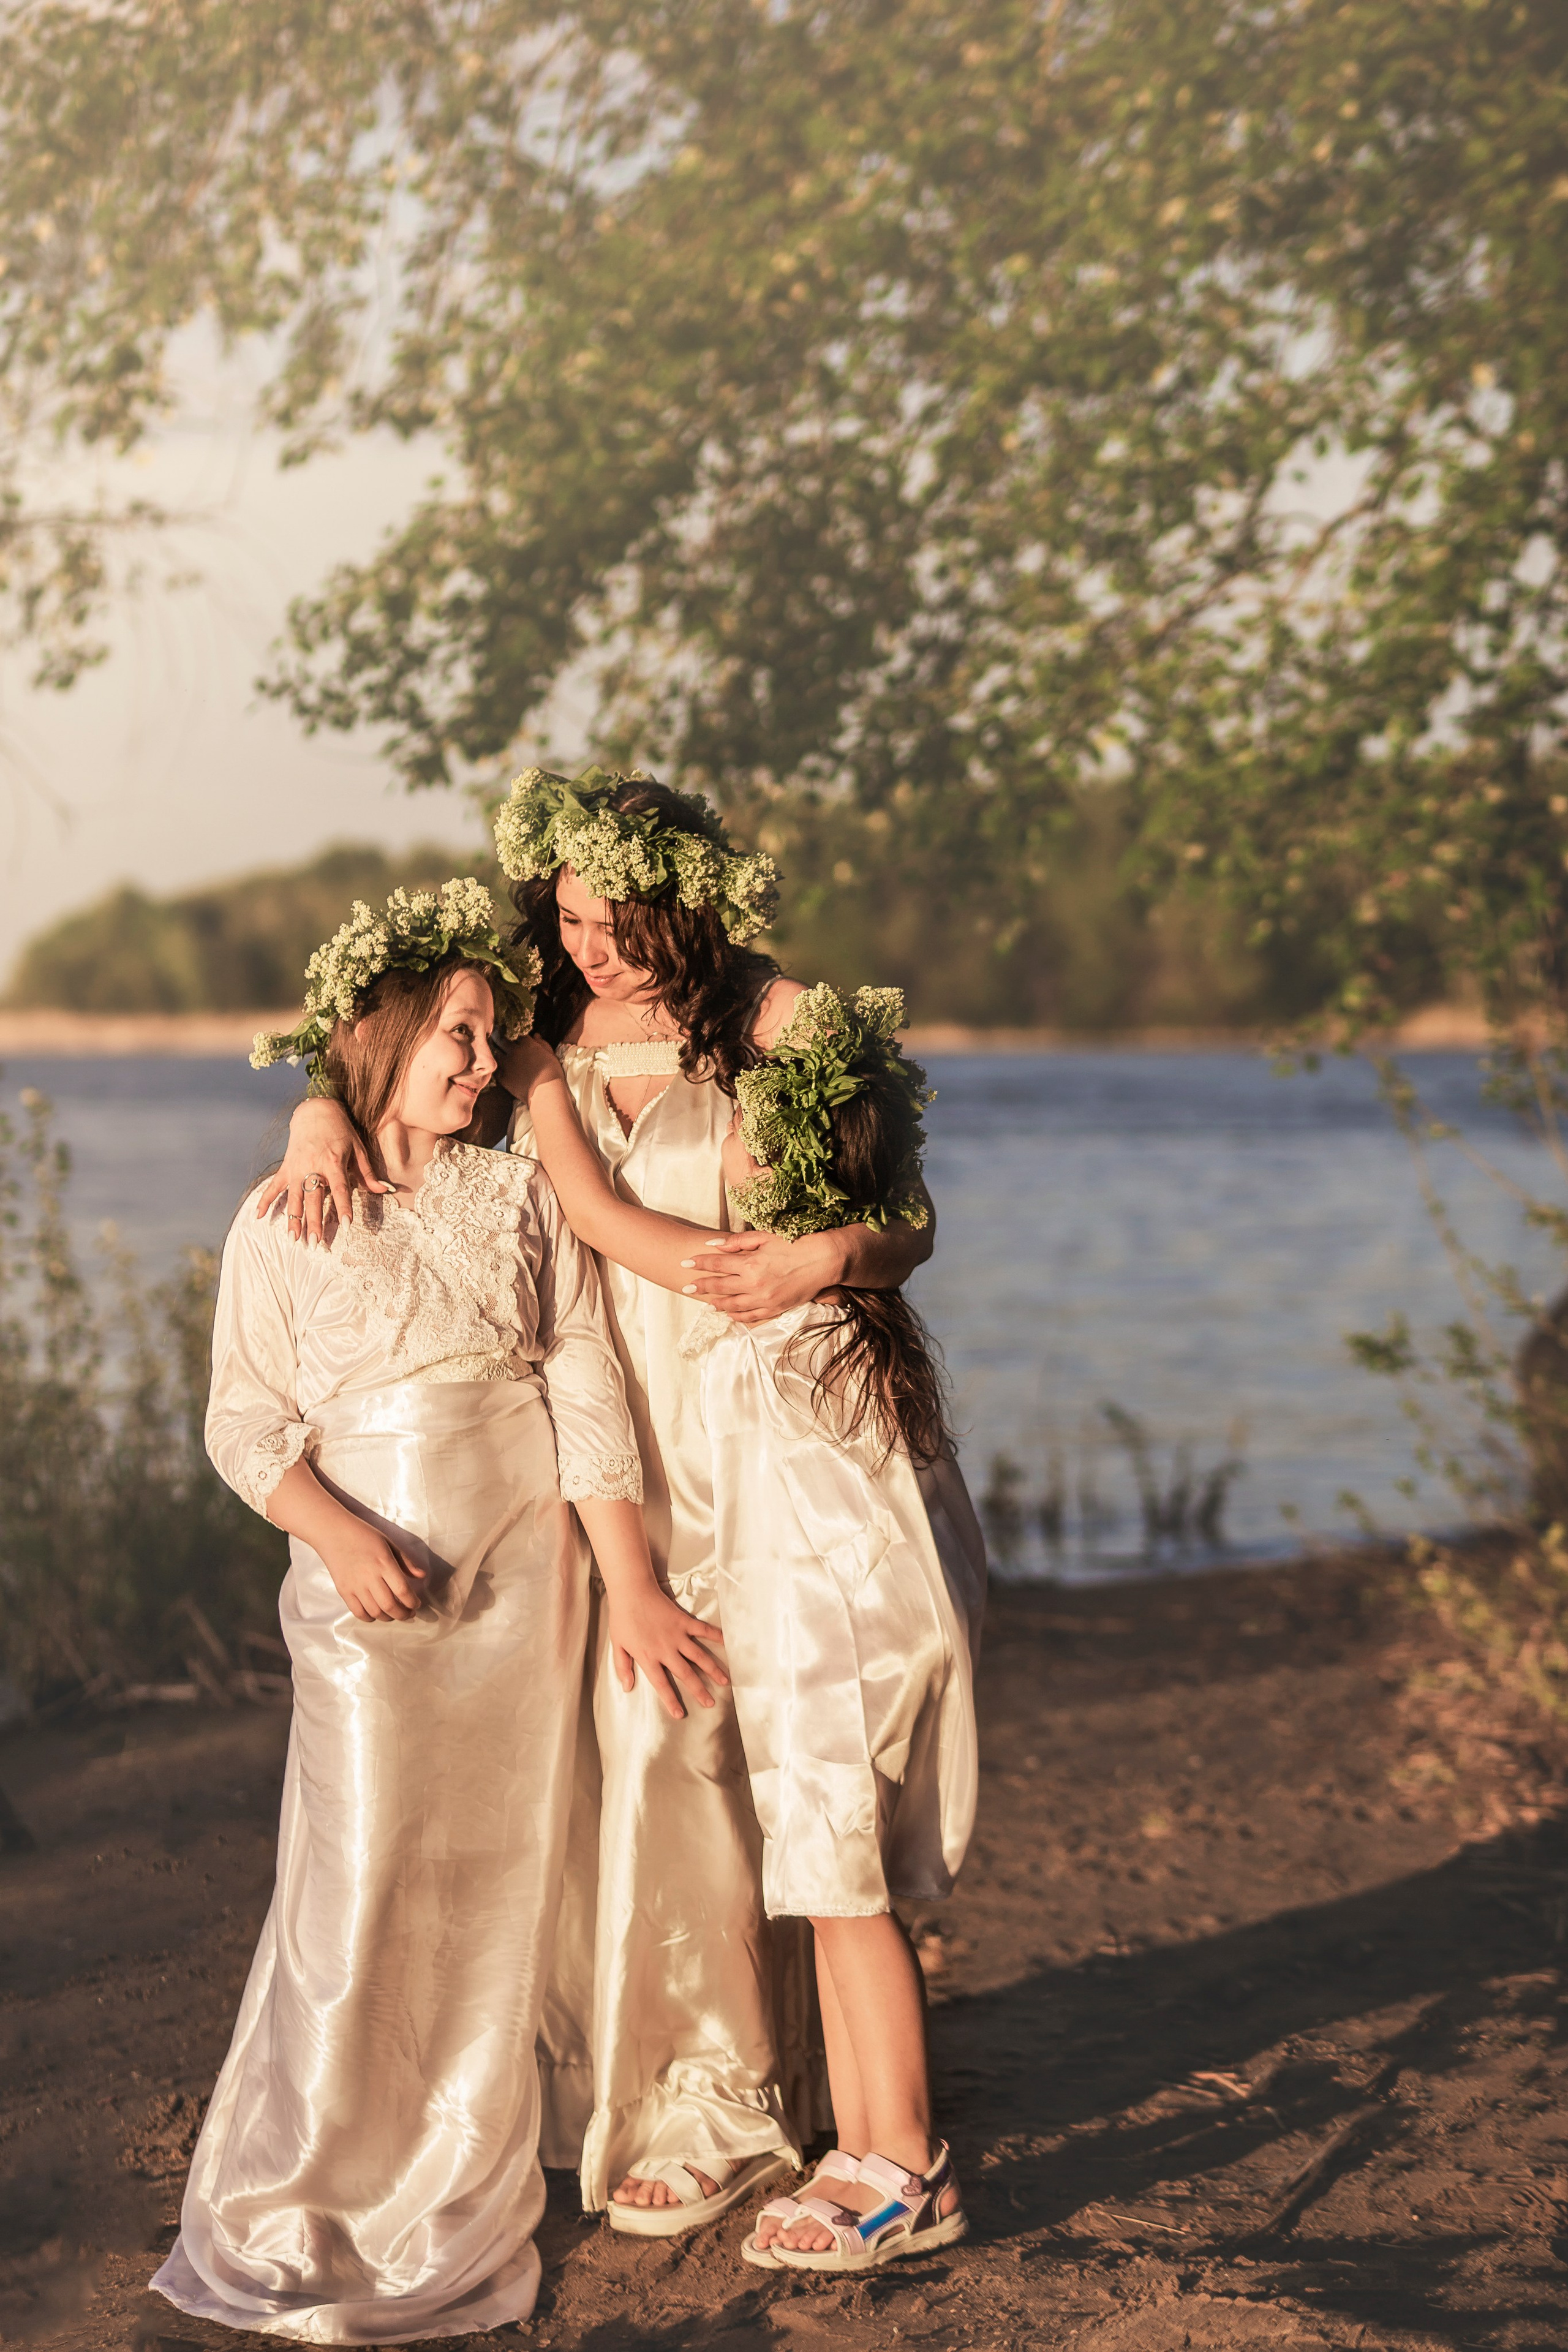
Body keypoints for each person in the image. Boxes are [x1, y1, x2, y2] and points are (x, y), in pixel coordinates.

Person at [270, 772, 938, 2237]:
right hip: (604, 1433)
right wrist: (319, 1118)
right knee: (646, 1750)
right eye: (567, 920)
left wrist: (821, 1261)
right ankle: (684, 2091)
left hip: (760, 1423)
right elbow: (392, 1043)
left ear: (688, 905)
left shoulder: (779, 1021)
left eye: (619, 922)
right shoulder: (536, 1041)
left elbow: (904, 1222)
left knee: (791, 1747)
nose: (591, 950)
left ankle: (807, 2107)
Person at [154, 880, 714, 2343]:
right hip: (367, 1596)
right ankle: (312, 2186)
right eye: (456, 1037)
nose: (480, 1063)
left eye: (490, 1038)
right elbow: (241, 1423)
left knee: (495, 1878)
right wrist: (334, 1533)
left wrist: (635, 1581)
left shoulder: (522, 1190)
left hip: (529, 1579)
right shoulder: (290, 1212)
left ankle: (469, 2169)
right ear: (379, 1036)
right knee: (357, 1879)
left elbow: (582, 1374)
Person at [508, 979, 983, 2274]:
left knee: (837, 1872)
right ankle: (870, 2144)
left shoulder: (758, 1283)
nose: (739, 1151)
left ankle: (900, 2163)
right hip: (812, 1585)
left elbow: (603, 1216)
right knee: (826, 1873)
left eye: (760, 1138)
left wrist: (536, 1079)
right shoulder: (813, 1302)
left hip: (826, 1597)